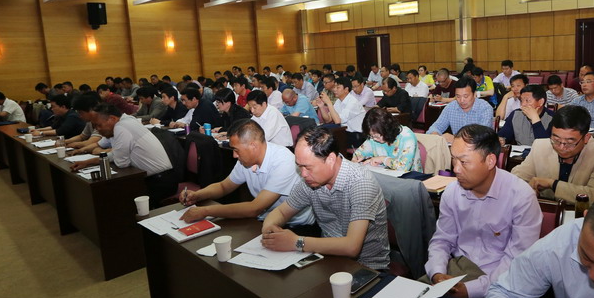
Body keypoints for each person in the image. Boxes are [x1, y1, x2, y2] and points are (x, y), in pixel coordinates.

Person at [424, 124, 541, 298]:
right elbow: (442, 240)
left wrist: (471, 290)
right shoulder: (452, 192)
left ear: (490, 161)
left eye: (464, 162)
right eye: (454, 159)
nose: (456, 169)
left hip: (501, 281)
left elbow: (516, 261)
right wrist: (437, 273)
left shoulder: (521, 197)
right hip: (456, 269)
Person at [260, 127, 390, 270]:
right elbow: (281, 212)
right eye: (299, 167)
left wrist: (296, 242)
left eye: (308, 167)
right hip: (326, 257)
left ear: (330, 159)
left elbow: (352, 247)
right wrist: (269, 230)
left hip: (366, 266)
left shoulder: (361, 183)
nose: (303, 174)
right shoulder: (311, 182)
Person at [178, 119, 314, 226]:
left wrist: (205, 211)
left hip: (294, 225)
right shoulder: (246, 160)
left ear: (253, 145)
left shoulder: (283, 161)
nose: (234, 156)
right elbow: (224, 186)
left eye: (236, 150)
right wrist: (197, 195)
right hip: (264, 219)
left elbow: (255, 208)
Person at [70, 103, 176, 208]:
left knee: (117, 200)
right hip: (161, 178)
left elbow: (121, 163)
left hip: (158, 183)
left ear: (112, 118)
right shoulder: (126, 121)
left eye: (99, 125)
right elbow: (116, 155)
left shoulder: (121, 127)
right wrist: (88, 162)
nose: (98, 129)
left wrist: (108, 155)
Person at [511, 105, 594, 204]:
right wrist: (527, 189)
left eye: (569, 142)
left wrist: (552, 184)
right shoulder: (540, 145)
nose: (561, 147)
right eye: (556, 140)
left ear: (586, 138)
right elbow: (516, 179)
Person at [352, 107, 422, 172]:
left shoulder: (406, 136)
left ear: (387, 129)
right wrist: (356, 158)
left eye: (377, 136)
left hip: (409, 177)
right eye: (372, 136)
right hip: (386, 175)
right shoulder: (373, 137)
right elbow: (360, 152)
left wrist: (383, 159)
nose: (374, 139)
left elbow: (403, 167)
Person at [426, 77, 493, 143]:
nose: (461, 100)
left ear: (474, 94)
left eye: (465, 96)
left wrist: (456, 139)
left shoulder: (485, 108)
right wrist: (435, 134)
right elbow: (435, 127)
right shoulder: (451, 107)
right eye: (458, 96)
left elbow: (484, 136)